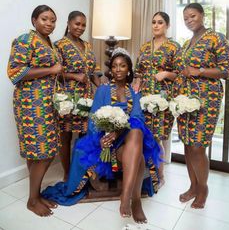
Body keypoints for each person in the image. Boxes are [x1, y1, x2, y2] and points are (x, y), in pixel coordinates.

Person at [42, 48, 161, 223]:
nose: (118, 69)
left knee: (136, 130)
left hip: (127, 139)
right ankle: (134, 200)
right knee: (140, 159)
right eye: (114, 66)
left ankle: (127, 198)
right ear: (111, 70)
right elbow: (93, 119)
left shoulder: (134, 93)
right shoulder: (103, 90)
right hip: (106, 142)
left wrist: (119, 130)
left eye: (122, 66)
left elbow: (137, 117)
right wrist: (105, 135)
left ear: (129, 69)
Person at [175, 3, 229, 208]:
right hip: (185, 102)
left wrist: (199, 71)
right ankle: (193, 186)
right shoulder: (187, 43)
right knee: (187, 144)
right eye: (186, 18)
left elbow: (228, 69)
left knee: (198, 146)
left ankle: (203, 189)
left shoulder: (215, 38)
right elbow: (183, 71)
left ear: (202, 15)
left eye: (192, 16)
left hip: (206, 101)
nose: (189, 20)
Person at [7, 5, 63, 216]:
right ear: (34, 20)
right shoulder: (24, 40)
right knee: (43, 153)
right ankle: (32, 200)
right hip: (31, 105)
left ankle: (36, 195)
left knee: (39, 152)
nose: (49, 23)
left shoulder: (49, 43)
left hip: (47, 104)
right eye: (44, 19)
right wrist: (51, 69)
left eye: (52, 20)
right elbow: (15, 73)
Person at [133, 12, 182, 188]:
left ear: (167, 25)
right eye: (153, 22)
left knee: (157, 138)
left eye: (160, 22)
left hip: (163, 100)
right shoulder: (145, 47)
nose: (156, 25)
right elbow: (138, 71)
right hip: (144, 98)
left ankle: (160, 176)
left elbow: (181, 73)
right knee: (144, 136)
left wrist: (167, 74)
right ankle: (145, 173)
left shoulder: (174, 47)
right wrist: (137, 83)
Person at [55, 11, 100, 181]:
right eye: (77, 24)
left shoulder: (87, 45)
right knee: (65, 135)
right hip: (68, 98)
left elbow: (94, 71)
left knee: (85, 135)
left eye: (83, 25)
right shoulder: (59, 45)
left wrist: (102, 87)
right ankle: (67, 174)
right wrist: (74, 76)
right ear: (68, 23)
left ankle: (82, 170)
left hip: (87, 97)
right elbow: (55, 73)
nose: (80, 28)